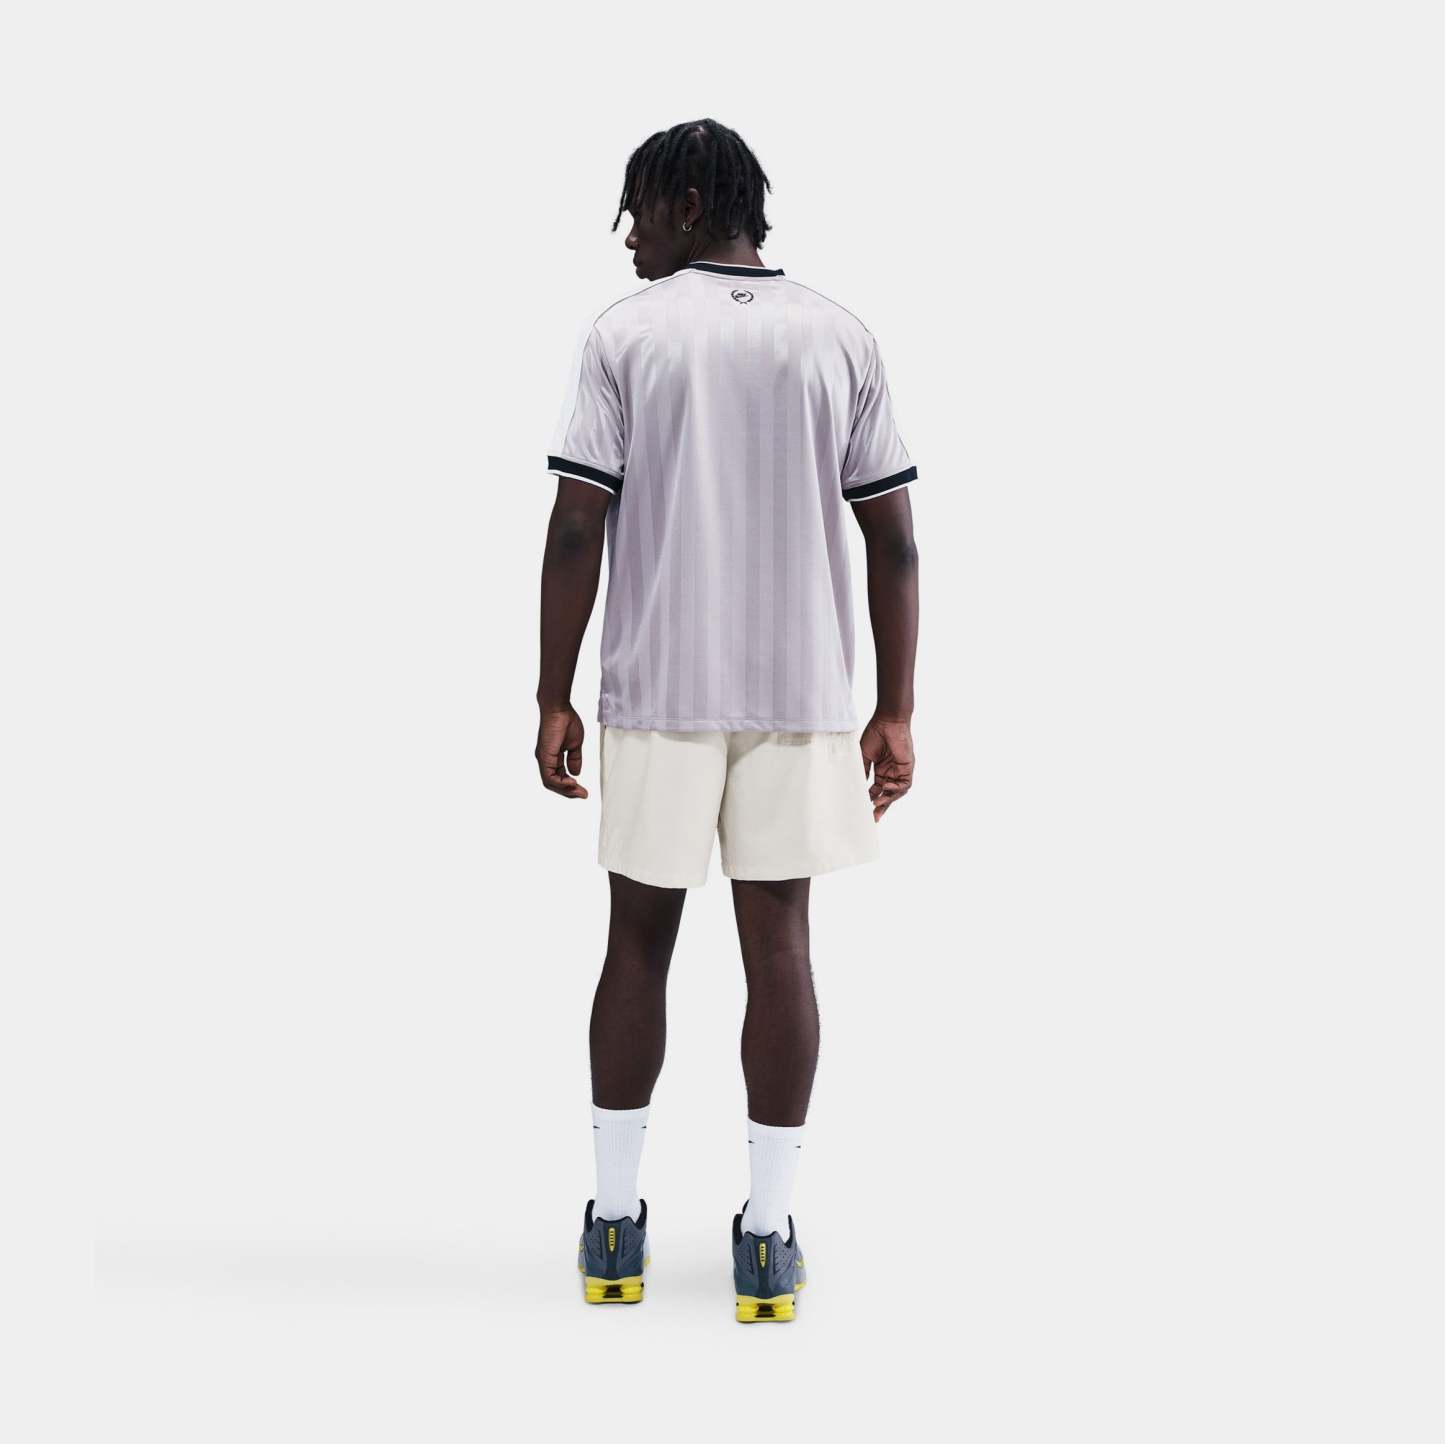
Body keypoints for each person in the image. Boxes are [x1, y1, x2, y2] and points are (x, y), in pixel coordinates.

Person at [537, 118, 919, 1322]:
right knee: (781, 949)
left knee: (636, 942)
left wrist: (551, 690)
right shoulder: (838, 335)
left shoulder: (627, 336)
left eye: (638, 211)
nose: (626, 236)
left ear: (691, 204)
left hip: (658, 688)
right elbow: (893, 541)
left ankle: (612, 1225)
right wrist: (894, 707)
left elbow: (576, 525)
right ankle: (764, 1236)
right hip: (800, 696)